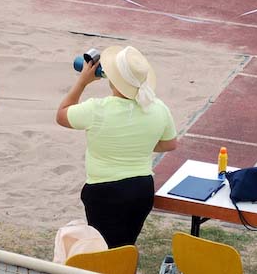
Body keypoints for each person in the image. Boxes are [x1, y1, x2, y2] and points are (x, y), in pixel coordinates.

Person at [56, 45, 178, 247]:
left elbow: (62, 114)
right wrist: (139, 144)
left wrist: (82, 82)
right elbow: (170, 143)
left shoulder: (97, 108)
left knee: (105, 250)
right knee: (126, 245)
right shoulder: (157, 107)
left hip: (104, 190)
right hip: (141, 188)